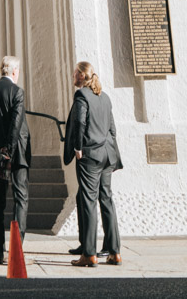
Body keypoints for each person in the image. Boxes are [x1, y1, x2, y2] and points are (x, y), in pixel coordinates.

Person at [63, 60, 122, 268]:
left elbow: (80, 121)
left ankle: (89, 254)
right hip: (107, 154)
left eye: (74, 73)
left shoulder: (81, 96)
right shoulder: (104, 98)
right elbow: (112, 128)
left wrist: (77, 148)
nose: (72, 76)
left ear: (81, 75)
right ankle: (114, 252)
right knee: (106, 199)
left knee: (88, 200)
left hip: (90, 155)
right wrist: (112, 152)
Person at [0, 54, 32, 266]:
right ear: (14, 72)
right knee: (20, 198)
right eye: (18, 71)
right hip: (15, 153)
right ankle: (16, 249)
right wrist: (8, 151)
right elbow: (16, 124)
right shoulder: (17, 92)